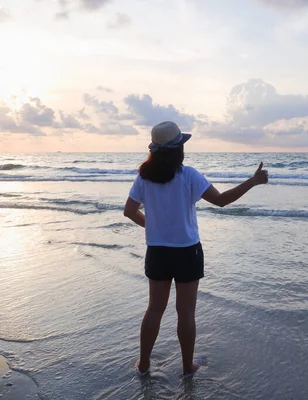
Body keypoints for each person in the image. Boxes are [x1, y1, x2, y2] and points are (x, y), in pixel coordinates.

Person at [123, 121, 268, 376]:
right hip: (187, 251)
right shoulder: (189, 175)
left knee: (154, 309)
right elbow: (222, 200)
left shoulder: (144, 177)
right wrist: (253, 181)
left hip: (157, 251)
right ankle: (187, 367)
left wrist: (151, 227)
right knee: (186, 311)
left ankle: (144, 364)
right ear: (178, 149)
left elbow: (129, 211)